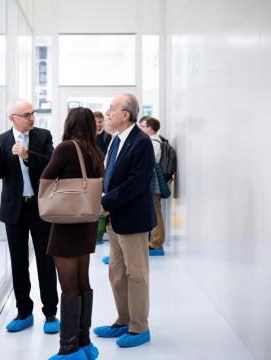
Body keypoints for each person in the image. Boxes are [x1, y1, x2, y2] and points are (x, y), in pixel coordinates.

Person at [0, 99, 60, 333]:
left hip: (40, 208)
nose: (32, 118)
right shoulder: (5, 139)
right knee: (19, 263)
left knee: (45, 261)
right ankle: (23, 312)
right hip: (14, 210)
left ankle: (50, 313)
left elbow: (51, 164)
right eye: (26, 114)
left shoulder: (43, 135)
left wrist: (27, 154)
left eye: (33, 113)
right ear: (13, 118)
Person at [93, 94, 156, 348]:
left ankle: (139, 327)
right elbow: (110, 176)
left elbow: (135, 185)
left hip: (133, 220)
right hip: (115, 219)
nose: (107, 113)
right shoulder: (116, 140)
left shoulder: (141, 142)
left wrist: (106, 203)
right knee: (117, 273)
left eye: (112, 109)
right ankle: (123, 320)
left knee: (136, 274)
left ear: (125, 115)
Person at [42, 107, 104, 360]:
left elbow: (47, 178)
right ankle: (84, 343)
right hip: (86, 223)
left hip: (66, 224)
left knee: (68, 287)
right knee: (82, 282)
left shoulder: (67, 148)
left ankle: (68, 350)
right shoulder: (94, 151)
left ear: (70, 123)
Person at [139, 116, 166, 256]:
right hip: (151, 184)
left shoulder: (154, 143)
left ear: (150, 127)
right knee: (154, 212)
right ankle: (153, 242)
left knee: (156, 212)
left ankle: (156, 243)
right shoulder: (153, 141)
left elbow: (149, 163)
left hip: (153, 185)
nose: (141, 129)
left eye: (143, 126)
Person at [93, 111, 111, 245]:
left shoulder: (108, 137)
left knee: (102, 204)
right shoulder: (88, 136)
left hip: (103, 174)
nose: (98, 124)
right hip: (91, 175)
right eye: (96, 121)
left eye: (100, 121)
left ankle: (99, 234)